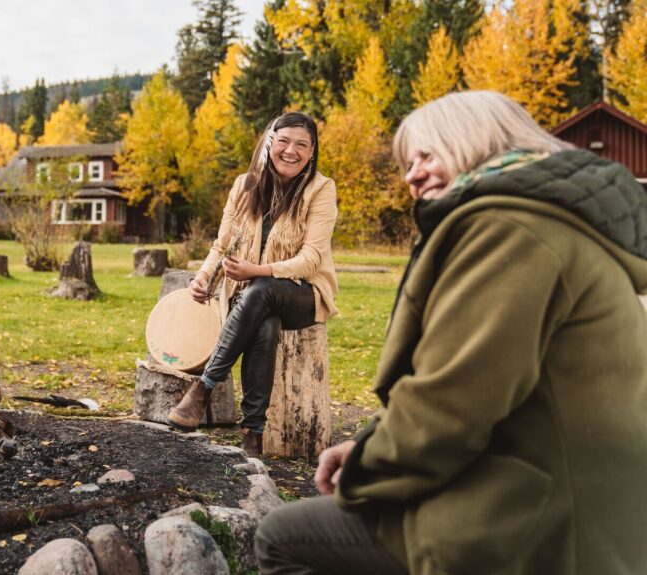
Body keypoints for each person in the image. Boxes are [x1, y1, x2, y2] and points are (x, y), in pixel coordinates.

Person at [254, 90, 647, 574]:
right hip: (572, 493)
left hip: (542, 519)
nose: (411, 174)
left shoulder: (509, 230)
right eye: (406, 163)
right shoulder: (544, 222)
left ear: (477, 142)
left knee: (283, 537)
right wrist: (371, 441)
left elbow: (456, 399)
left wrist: (366, 466)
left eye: (427, 154)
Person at [166, 112, 338, 458]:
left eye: (302, 145)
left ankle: (203, 387)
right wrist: (202, 277)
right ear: (270, 142)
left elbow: (311, 259)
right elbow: (221, 244)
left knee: (264, 290)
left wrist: (257, 270)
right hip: (253, 298)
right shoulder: (245, 186)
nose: (292, 151)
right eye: (285, 141)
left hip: (302, 294)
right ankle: (252, 432)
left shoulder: (321, 189)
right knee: (265, 320)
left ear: (312, 150)